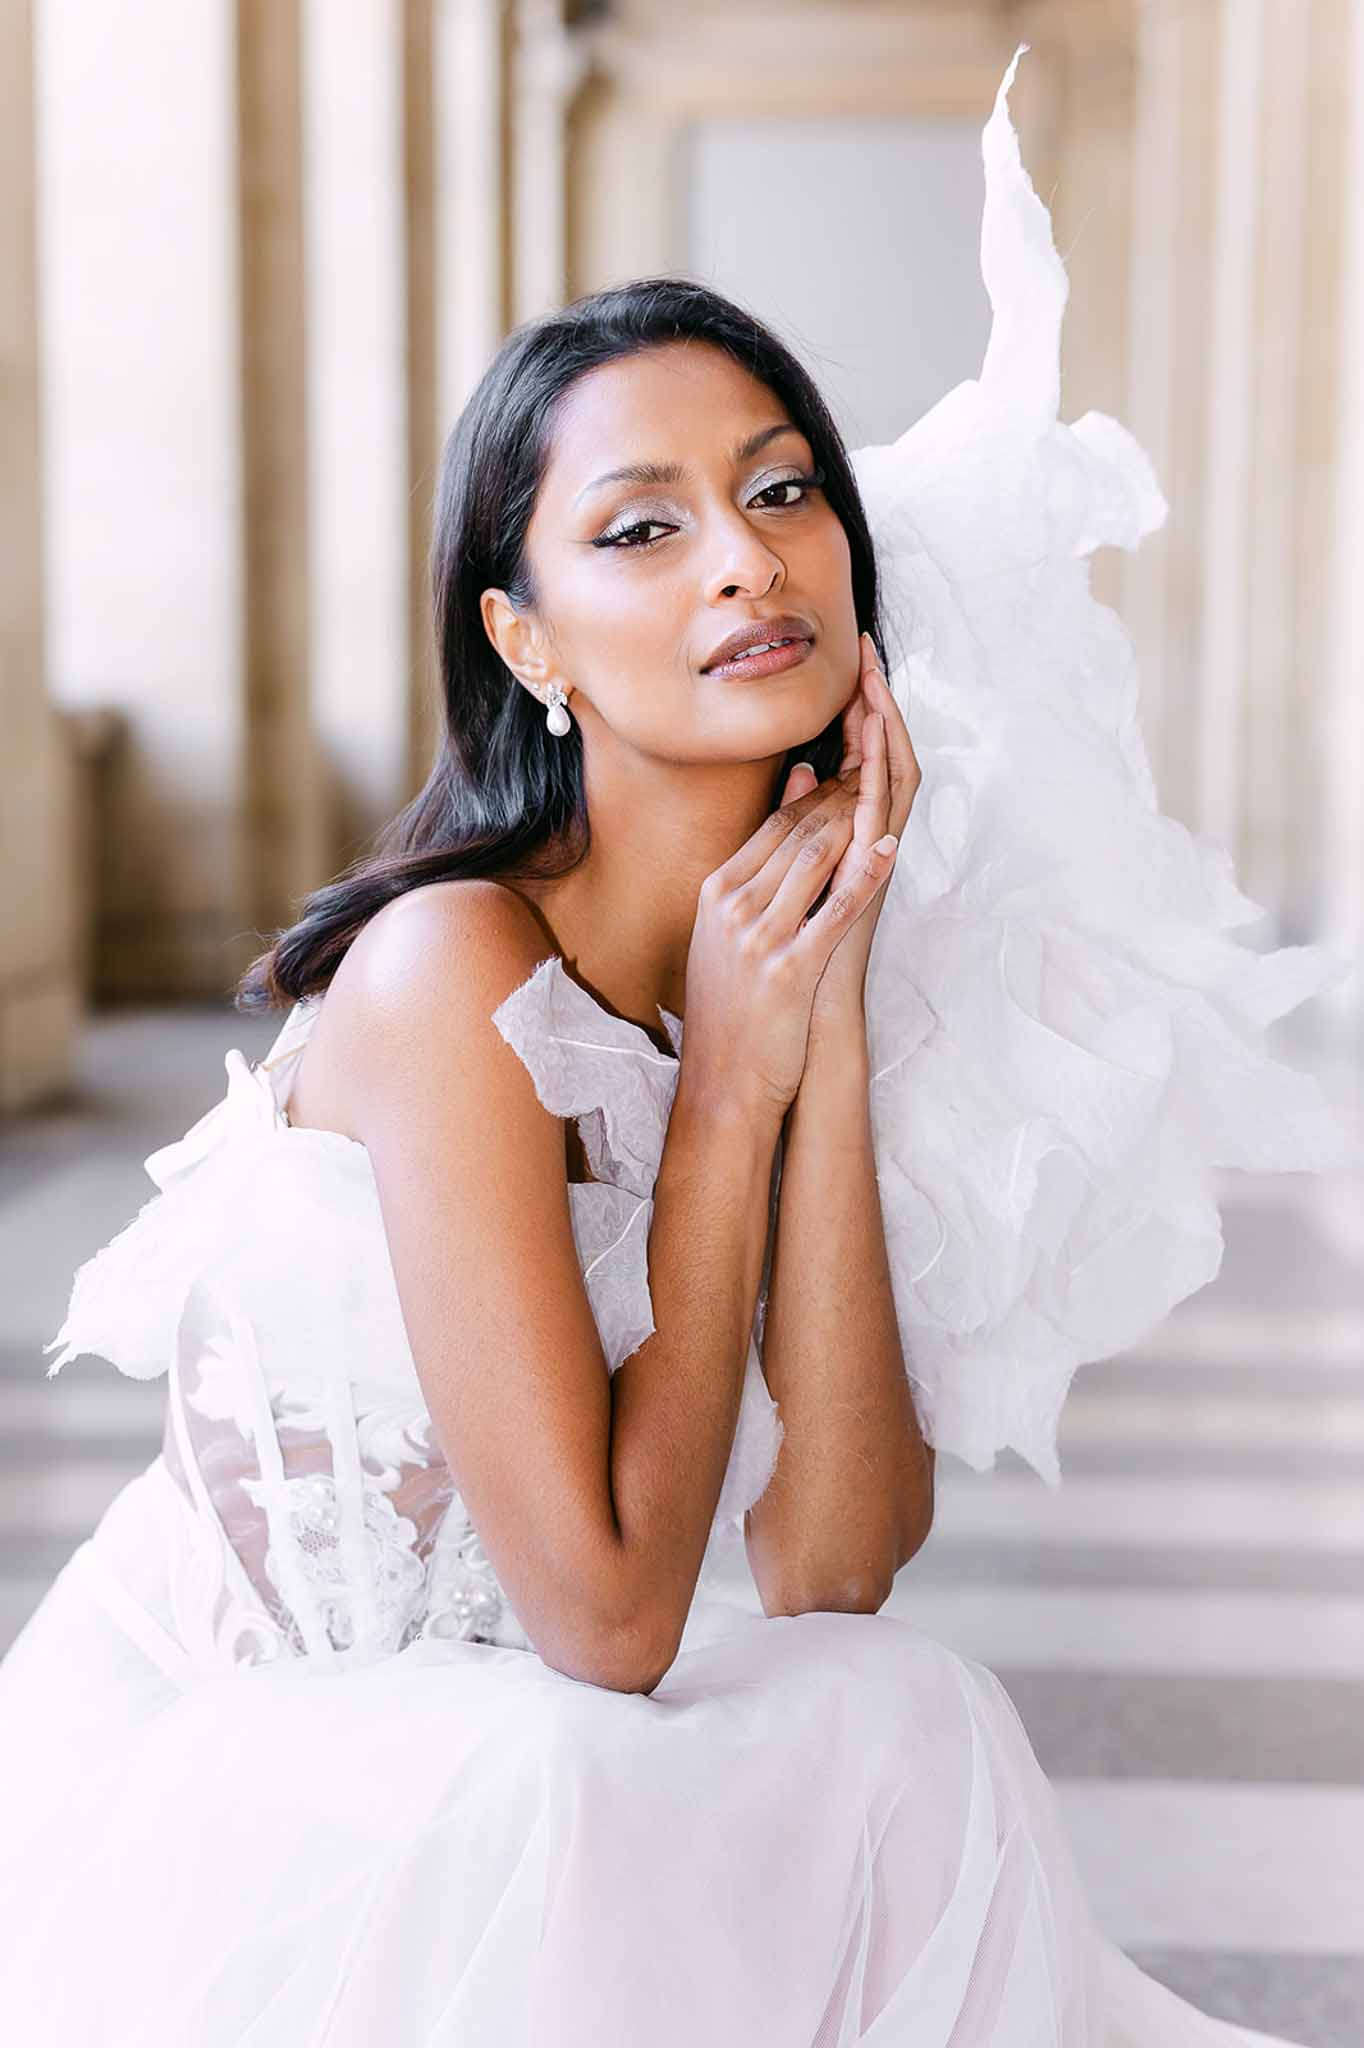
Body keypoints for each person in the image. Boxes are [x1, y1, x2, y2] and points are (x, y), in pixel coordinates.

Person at [0, 47, 1338, 2046]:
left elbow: (832, 1559)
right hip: (241, 1780)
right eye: (642, 529)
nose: (746, 557)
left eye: (782, 488)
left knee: (910, 1716)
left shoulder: (765, 962)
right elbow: (615, 1621)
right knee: (583, 1771)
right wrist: (724, 1087)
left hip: (512, 1723)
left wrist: (827, 1024)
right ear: (525, 641)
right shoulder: (449, 964)